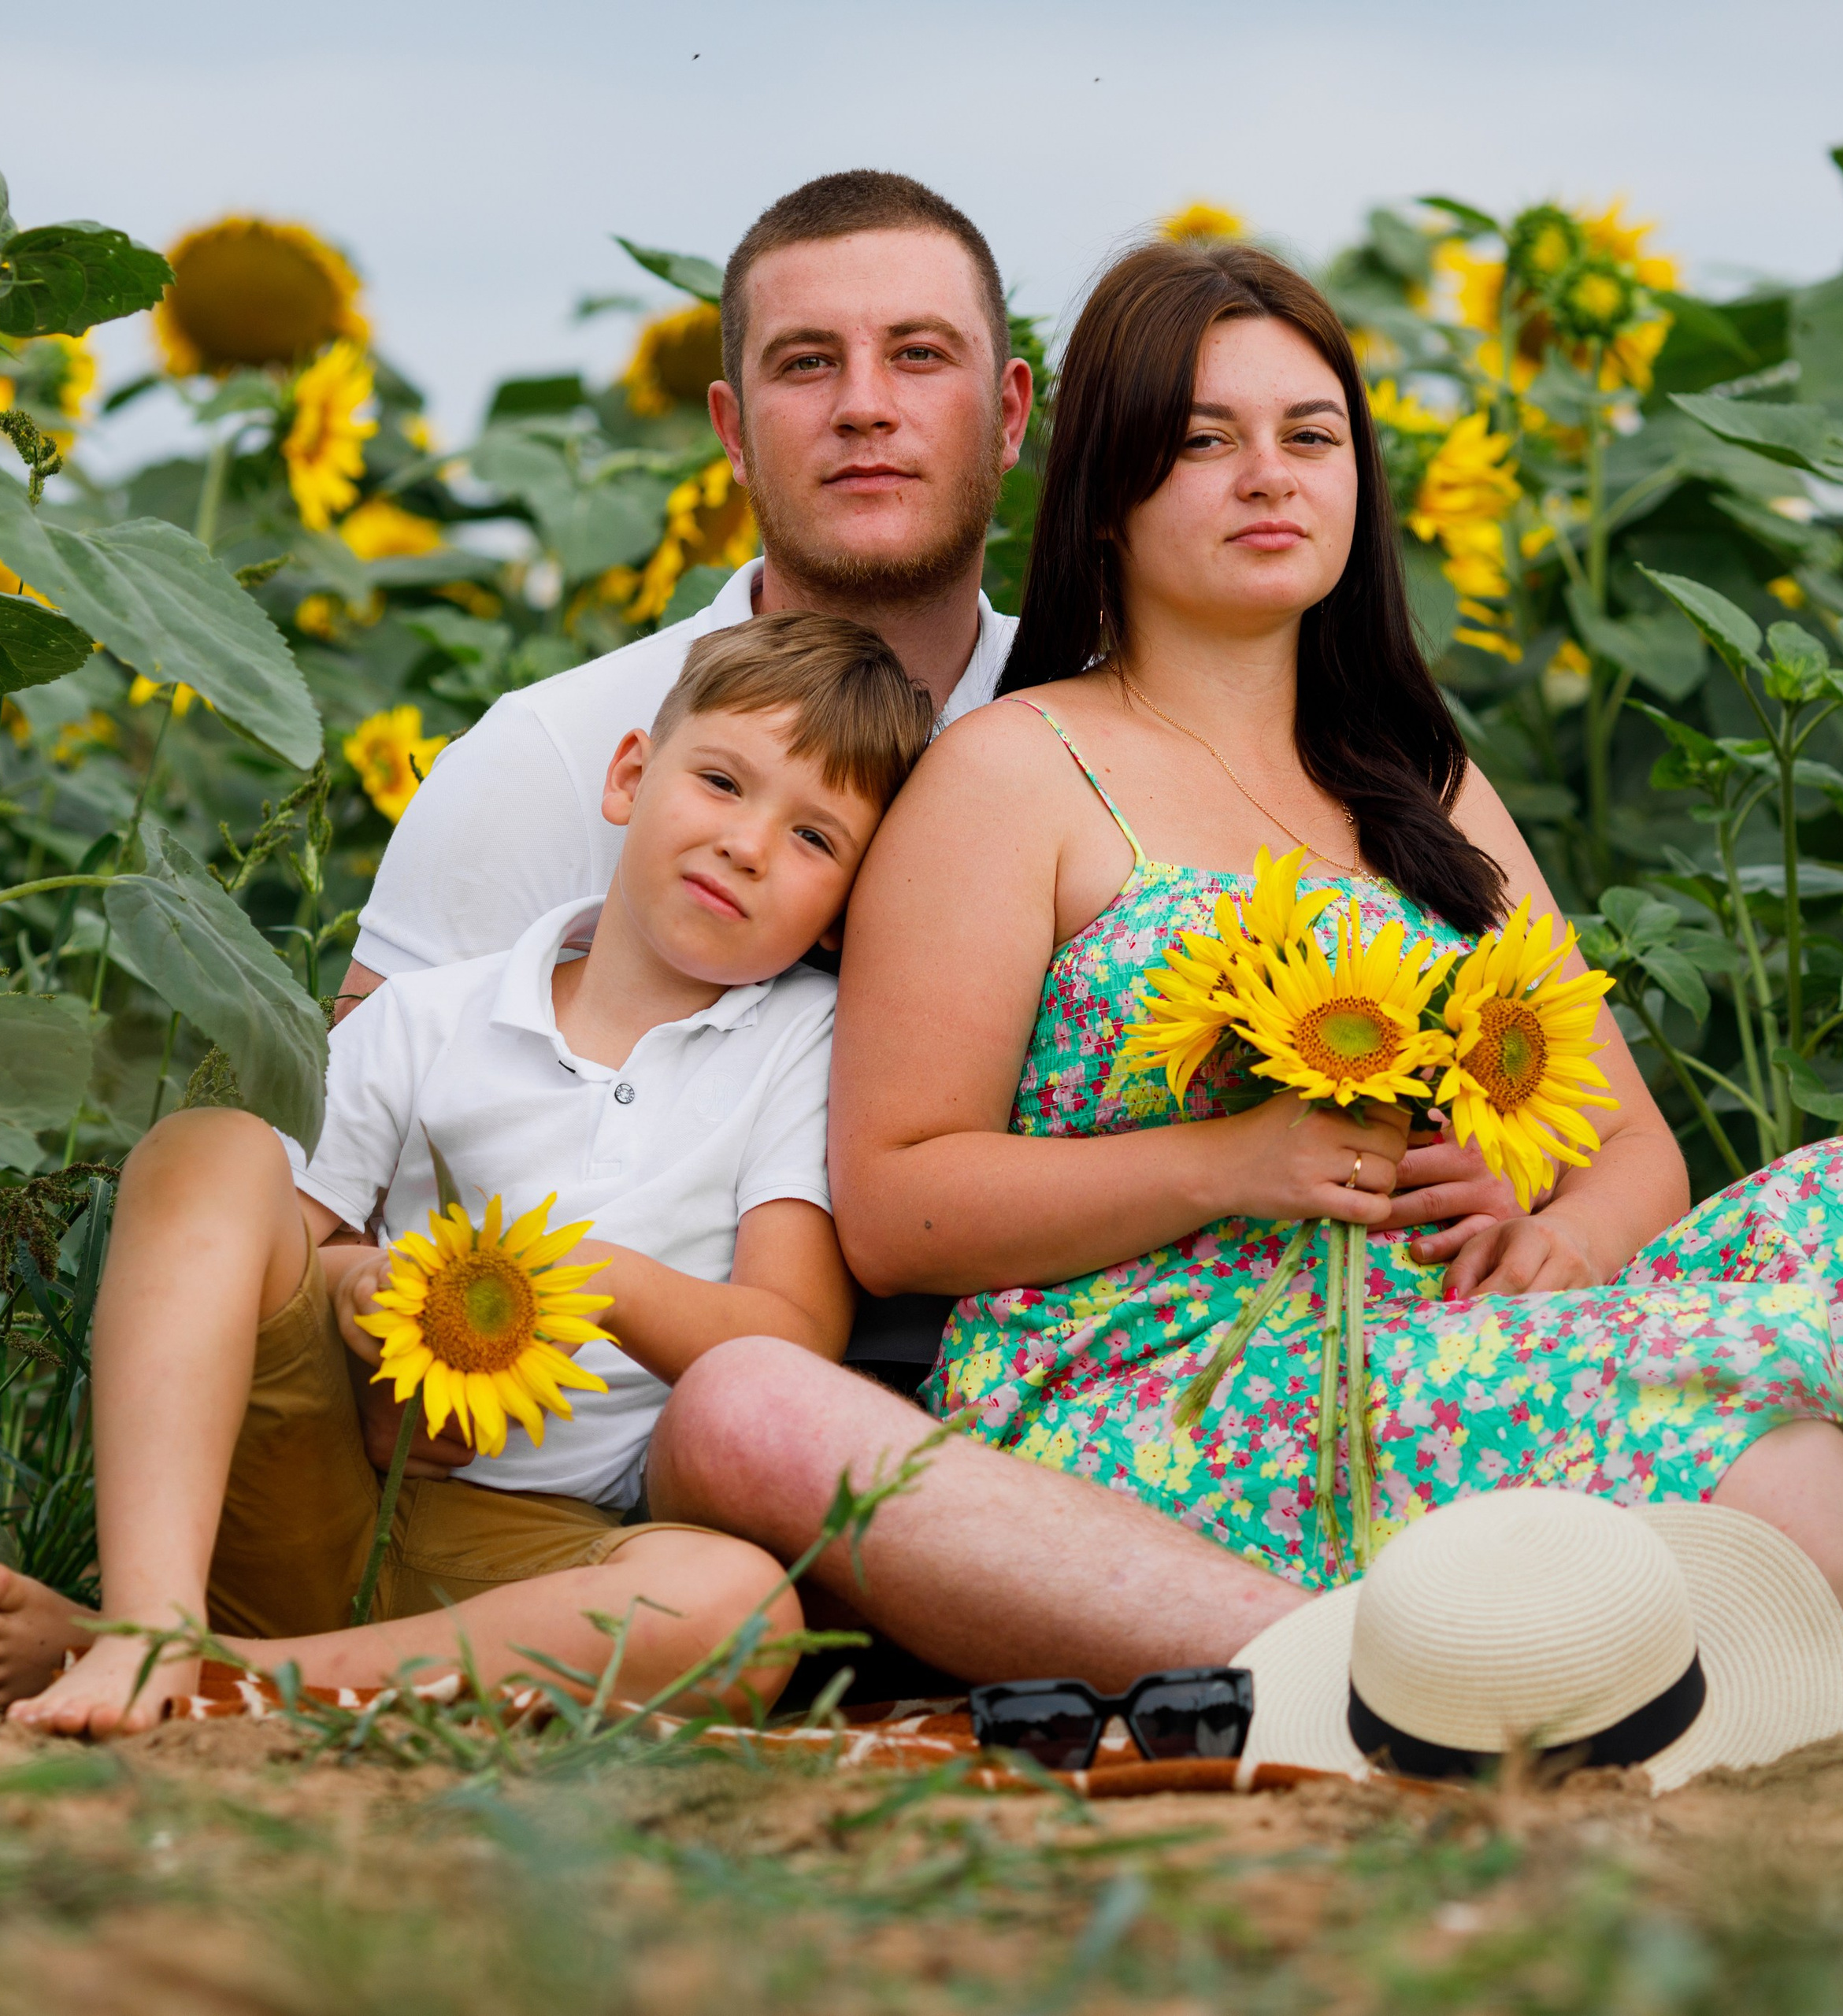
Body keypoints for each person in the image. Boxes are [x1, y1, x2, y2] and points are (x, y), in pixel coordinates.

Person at [665, 239, 1843, 1725]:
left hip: (1460, 1324)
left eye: (1310, 437)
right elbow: (900, 1204)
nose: (1269, 477)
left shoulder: (1416, 780)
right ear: (1108, 492)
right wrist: (1233, 1163)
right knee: (1736, 1416)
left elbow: (1634, 1150)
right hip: (1175, 1384)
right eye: (1203, 441)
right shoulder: (1016, 773)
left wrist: (1554, 1242)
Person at [339, 167, 1514, 1444]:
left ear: (1012, 414)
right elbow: (350, 1139)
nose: (865, 408)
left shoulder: (1108, 724)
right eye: (805, 365)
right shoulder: (559, 752)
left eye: (918, 356)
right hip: (616, 1417)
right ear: (730, 430)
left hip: (1162, 1371)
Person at [2, 612, 935, 1736]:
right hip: (315, 1488)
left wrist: (575, 1279)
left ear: (851, 905)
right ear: (631, 775)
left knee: (743, 1611)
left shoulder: (805, 1045)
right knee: (214, 1147)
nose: (748, 845)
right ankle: (154, 1617)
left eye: (815, 839)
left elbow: (786, 1341)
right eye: (724, 782)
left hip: (533, 1566)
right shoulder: (432, 1016)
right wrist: (366, 1296)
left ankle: (205, 1676)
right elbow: (262, 1257)